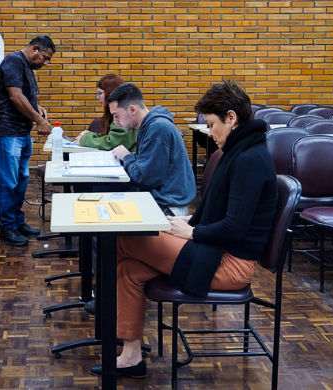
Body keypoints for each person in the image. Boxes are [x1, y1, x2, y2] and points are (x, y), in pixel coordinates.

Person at [90, 81, 278, 378]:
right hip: (212, 249)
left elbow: (235, 226)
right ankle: (131, 356)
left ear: (231, 118)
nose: (209, 132)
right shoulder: (239, 151)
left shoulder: (250, 159)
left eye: (212, 125)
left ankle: (102, 308)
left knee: (121, 238)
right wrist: (190, 225)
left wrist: (192, 232)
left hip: (228, 265)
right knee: (127, 270)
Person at [0, 36, 56, 246]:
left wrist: (38, 107)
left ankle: (17, 222)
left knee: (21, 179)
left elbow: (25, 96)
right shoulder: (13, 61)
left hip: (20, 132)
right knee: (9, 182)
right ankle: (6, 229)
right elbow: (15, 97)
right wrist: (39, 121)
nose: (45, 63)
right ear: (35, 48)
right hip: (7, 132)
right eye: (45, 58)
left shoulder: (25, 66)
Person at [107, 82, 195, 216]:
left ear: (132, 109)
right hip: (161, 200)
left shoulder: (157, 129)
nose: (115, 121)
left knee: (111, 216)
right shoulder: (150, 126)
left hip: (167, 207)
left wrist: (126, 157)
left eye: (116, 115)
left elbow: (144, 178)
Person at [74, 74, 138, 151]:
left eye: (100, 93)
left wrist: (84, 139)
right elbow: (109, 136)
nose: (98, 97)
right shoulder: (113, 114)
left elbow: (112, 143)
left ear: (110, 93)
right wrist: (89, 135)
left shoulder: (124, 113)